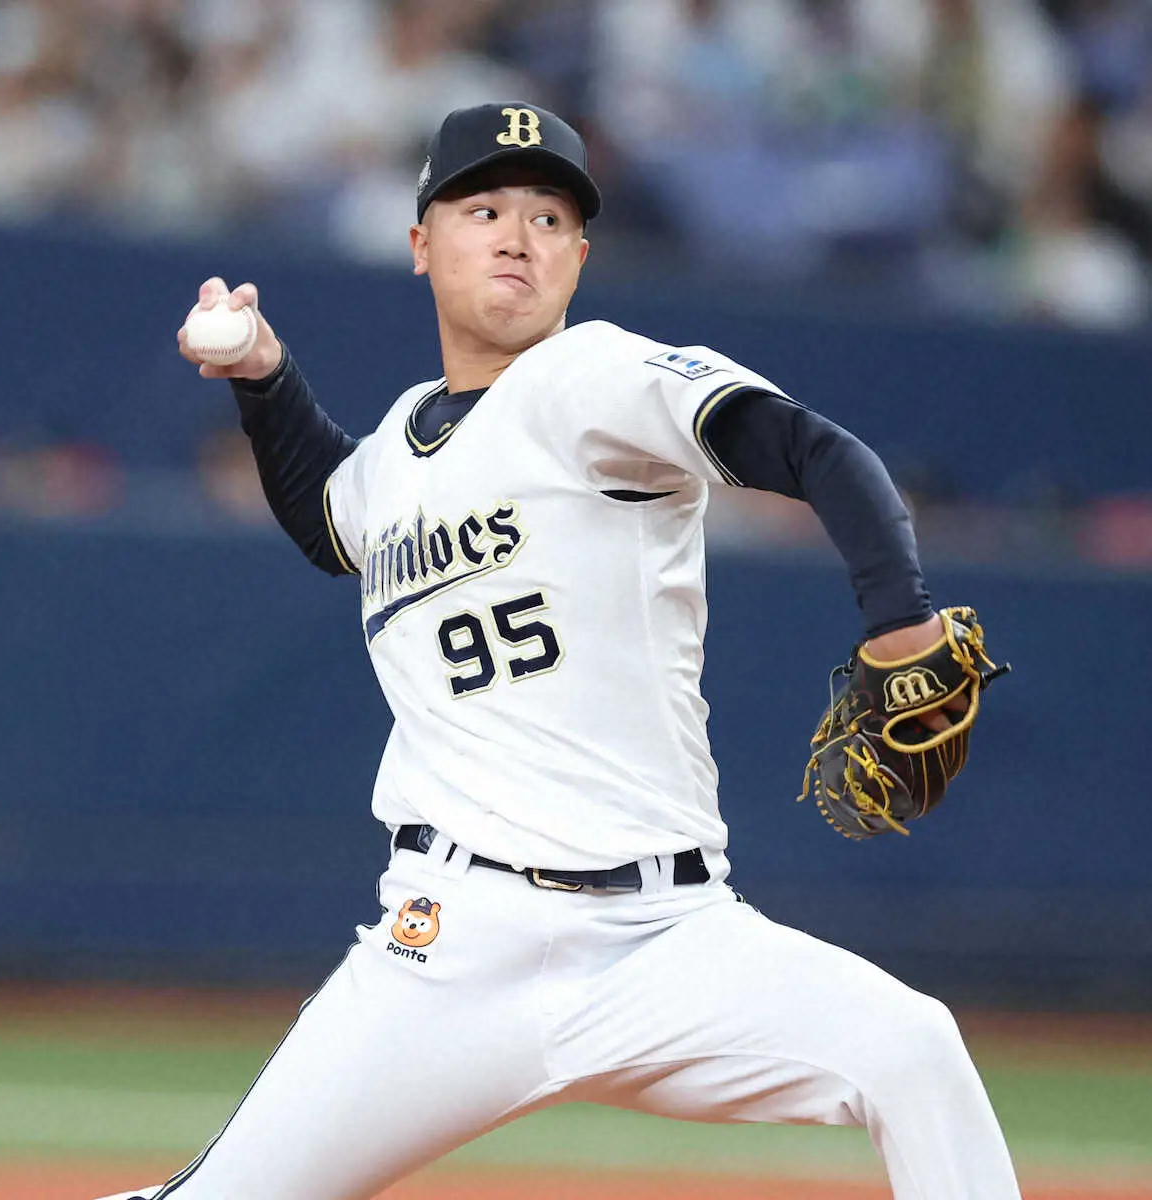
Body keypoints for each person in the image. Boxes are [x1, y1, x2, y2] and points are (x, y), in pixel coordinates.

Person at [104, 102, 1021, 1200]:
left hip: (666, 940)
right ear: (420, 244)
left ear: (579, 259)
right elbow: (327, 517)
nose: (517, 236)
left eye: (548, 218)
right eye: (483, 209)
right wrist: (262, 373)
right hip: (449, 951)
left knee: (912, 1050)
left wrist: (900, 615)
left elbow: (815, 449)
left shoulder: (595, 377)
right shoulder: (398, 448)